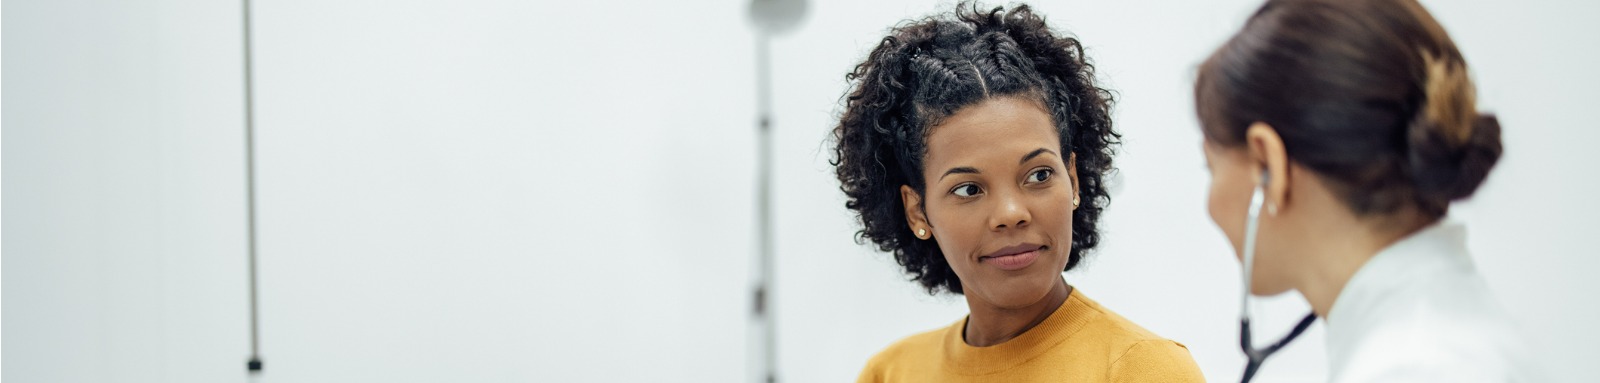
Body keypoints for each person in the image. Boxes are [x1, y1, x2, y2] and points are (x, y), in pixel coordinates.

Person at [833, 3, 1205, 381]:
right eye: (968, 189)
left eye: (1039, 174)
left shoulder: (1142, 369)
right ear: (918, 212)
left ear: (1072, 180)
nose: (1011, 213)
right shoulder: (890, 373)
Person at [1194, 0, 1533, 381]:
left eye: (1211, 166)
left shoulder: (1416, 366)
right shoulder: (1446, 342)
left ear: (1268, 164)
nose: (1209, 206)